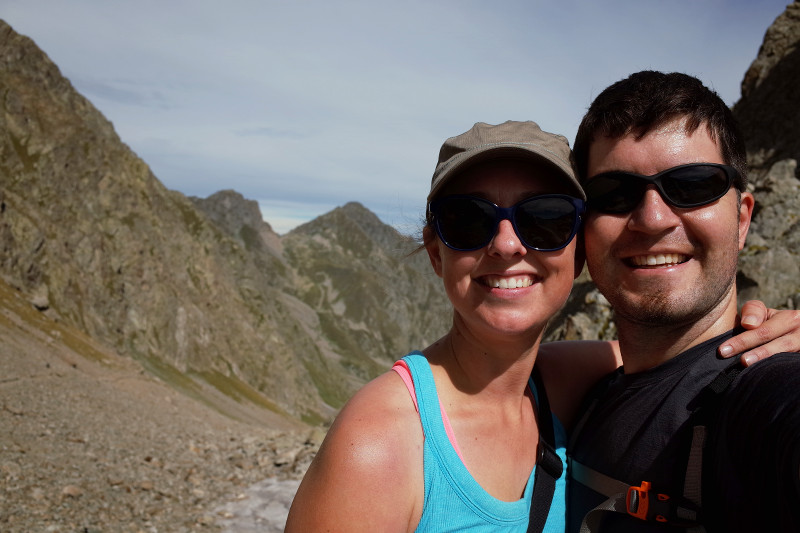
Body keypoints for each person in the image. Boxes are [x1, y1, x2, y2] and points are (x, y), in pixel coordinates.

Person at [285, 119, 799, 532]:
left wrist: (772, 331)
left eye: (546, 219)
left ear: (578, 253)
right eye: (467, 220)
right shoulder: (378, 445)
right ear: (436, 252)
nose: (507, 245)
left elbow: (675, 354)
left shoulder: (568, 380)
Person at [564, 71, 800, 532]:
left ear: (741, 218)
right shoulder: (582, 400)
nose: (652, 219)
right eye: (613, 193)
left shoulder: (764, 393)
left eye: (693, 185)